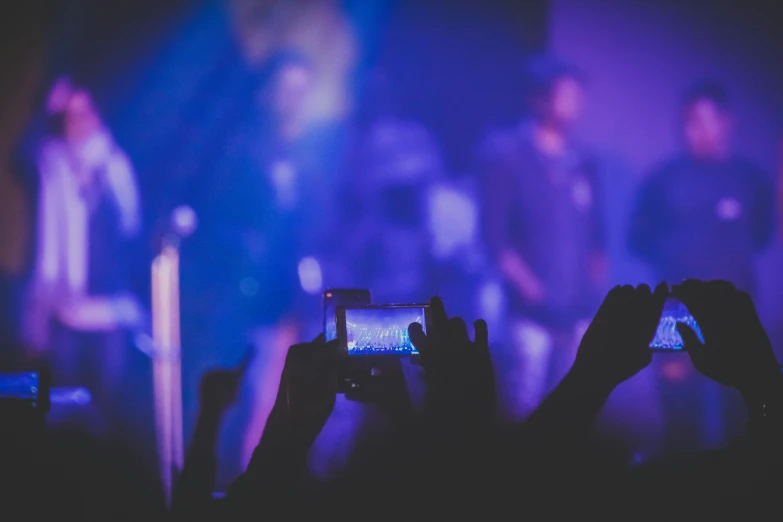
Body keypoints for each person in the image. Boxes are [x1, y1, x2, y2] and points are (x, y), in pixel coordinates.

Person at [202, 50, 347, 485]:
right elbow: (217, 215)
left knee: (271, 398)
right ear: (268, 92)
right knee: (232, 398)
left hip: (286, 300)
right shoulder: (241, 147)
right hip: (234, 296)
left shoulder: (313, 156)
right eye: (285, 88)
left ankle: (256, 485)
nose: (293, 98)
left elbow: (320, 227)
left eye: (301, 91)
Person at [628, 82, 776, 451]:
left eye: (706, 120)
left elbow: (762, 234)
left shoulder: (749, 178)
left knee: (739, 414)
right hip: (672, 313)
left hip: (736, 314)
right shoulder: (663, 179)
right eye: (689, 121)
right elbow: (638, 240)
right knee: (679, 419)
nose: (697, 130)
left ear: (727, 122)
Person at [480, 56, 606, 419]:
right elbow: (494, 237)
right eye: (567, 94)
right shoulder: (509, 157)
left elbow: (598, 236)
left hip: (578, 311)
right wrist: (528, 285)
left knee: (574, 408)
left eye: (579, 95)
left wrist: (592, 289)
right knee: (524, 406)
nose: (576, 103)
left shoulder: (583, 161)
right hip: (530, 315)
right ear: (542, 99)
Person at [22, 77, 144, 437]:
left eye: (85, 113)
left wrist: (99, 180)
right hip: (64, 306)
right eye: (69, 115)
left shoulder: (115, 166)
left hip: (108, 310)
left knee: (104, 414)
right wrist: (47, 106)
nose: (79, 123)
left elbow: (130, 229)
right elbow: (21, 151)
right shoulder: (50, 162)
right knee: (59, 410)